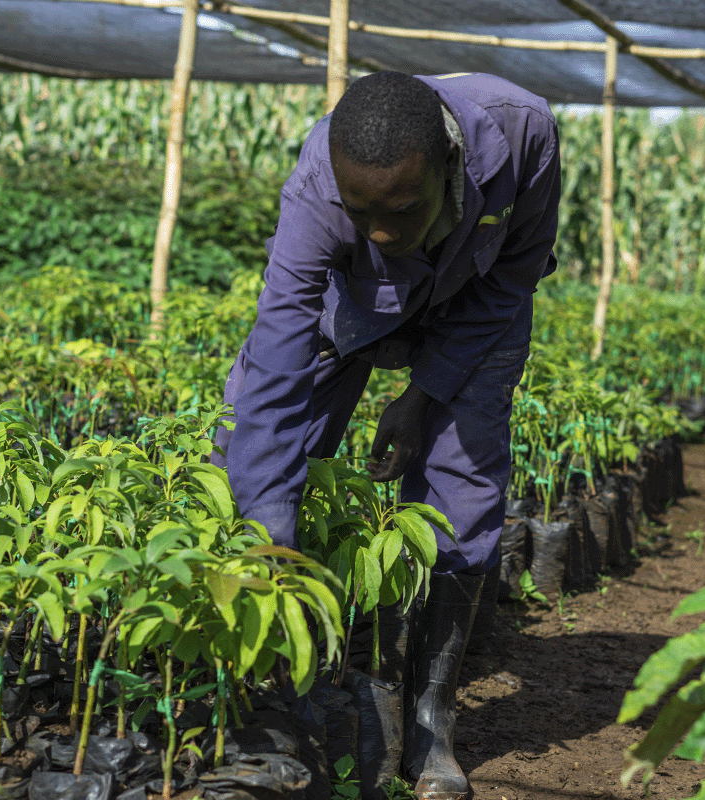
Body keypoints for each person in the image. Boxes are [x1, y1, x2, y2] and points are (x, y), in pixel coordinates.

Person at [212, 71, 560, 800]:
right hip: (356, 303)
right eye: (360, 211)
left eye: (400, 210)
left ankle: (430, 713)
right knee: (264, 441)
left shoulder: (522, 134)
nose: (379, 231)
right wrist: (269, 527)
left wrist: (423, 391)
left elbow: (517, 272)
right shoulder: (316, 191)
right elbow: (278, 350)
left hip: (477, 301)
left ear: (447, 167)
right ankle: (283, 695)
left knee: (462, 484)